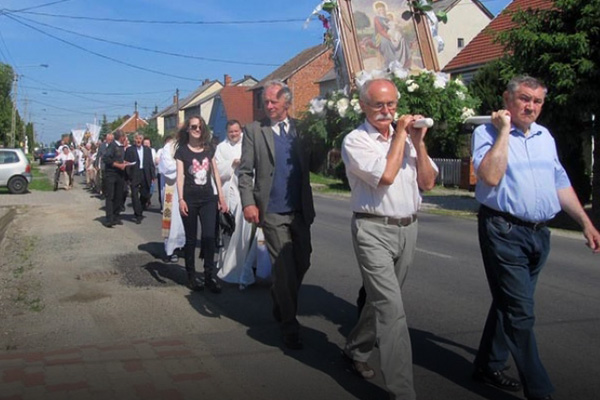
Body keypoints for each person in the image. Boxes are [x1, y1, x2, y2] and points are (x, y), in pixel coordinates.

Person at [470, 76, 600, 400]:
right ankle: (540, 390)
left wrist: (585, 222)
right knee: (520, 311)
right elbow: (489, 176)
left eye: (537, 101)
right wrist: (503, 132)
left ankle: (488, 364)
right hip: (504, 230)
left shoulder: (545, 136)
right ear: (507, 99)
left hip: (539, 234)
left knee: (509, 302)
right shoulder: (486, 132)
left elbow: (559, 181)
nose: (530, 107)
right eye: (524, 99)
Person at [341, 78, 437, 399]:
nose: (387, 111)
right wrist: (399, 136)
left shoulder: (407, 140)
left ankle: (356, 348)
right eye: (379, 105)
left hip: (408, 228)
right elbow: (385, 176)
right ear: (363, 106)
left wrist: (419, 143)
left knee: (379, 300)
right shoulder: (356, 141)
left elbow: (428, 182)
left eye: (392, 104)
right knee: (392, 309)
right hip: (372, 230)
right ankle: (403, 390)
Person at [238, 80, 315, 350]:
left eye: (273, 101)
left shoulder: (301, 130)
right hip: (271, 210)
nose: (268, 106)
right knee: (283, 270)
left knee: (302, 263)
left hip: (300, 210)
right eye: (265, 101)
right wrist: (249, 203)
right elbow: (245, 172)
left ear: (287, 102)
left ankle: (279, 298)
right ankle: (289, 325)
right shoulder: (254, 131)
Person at [175, 116, 228, 294]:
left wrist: (221, 197)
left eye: (199, 126)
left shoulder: (209, 149)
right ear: (188, 130)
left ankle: (208, 276)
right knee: (190, 239)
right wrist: (181, 199)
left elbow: (215, 174)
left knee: (208, 237)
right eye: (193, 127)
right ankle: (191, 276)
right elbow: (180, 177)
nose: (197, 129)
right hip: (189, 199)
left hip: (208, 199)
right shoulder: (182, 152)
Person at [215, 120, 257, 289]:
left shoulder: (247, 144)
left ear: (241, 130)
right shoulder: (221, 148)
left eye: (236, 131)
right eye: (231, 131)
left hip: (245, 192)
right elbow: (216, 170)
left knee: (246, 231)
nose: (234, 134)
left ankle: (246, 263)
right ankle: (227, 262)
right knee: (229, 229)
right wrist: (232, 163)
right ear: (227, 132)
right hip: (229, 192)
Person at [158, 134, 185, 263]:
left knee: (185, 219)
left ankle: (182, 246)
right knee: (173, 219)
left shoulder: (190, 146)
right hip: (172, 188)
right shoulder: (168, 147)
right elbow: (167, 168)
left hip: (187, 188)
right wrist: (181, 165)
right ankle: (170, 249)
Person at [125, 133, 156, 224]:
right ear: (134, 140)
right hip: (135, 174)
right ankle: (138, 215)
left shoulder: (147, 150)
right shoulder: (130, 150)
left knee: (145, 194)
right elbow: (126, 163)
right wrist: (128, 176)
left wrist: (153, 176)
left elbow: (151, 163)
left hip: (145, 173)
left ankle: (140, 208)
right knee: (134, 195)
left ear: (142, 140)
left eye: (140, 139)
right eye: (137, 139)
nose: (138, 140)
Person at [102, 130, 132, 228]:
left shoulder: (121, 147)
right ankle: (109, 219)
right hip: (111, 174)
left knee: (119, 195)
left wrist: (124, 162)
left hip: (120, 174)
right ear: (121, 137)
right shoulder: (112, 146)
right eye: (125, 137)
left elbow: (118, 158)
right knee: (110, 196)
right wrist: (118, 165)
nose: (126, 139)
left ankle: (116, 216)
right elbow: (106, 159)